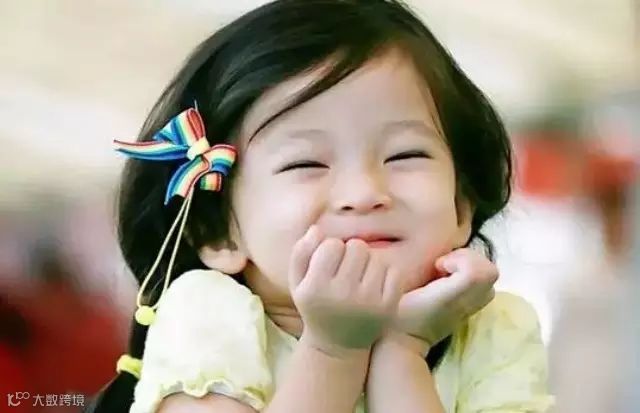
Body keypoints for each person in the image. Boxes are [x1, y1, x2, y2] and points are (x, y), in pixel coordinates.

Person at [86, 1, 553, 412]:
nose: (364, 192)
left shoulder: (495, 329)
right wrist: (335, 351)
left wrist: (402, 350)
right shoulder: (207, 314)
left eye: (405, 155)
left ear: (461, 207)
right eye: (306, 163)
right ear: (218, 231)